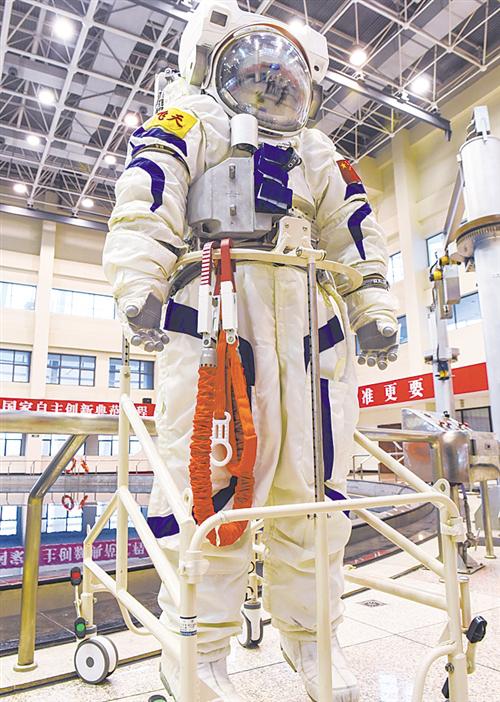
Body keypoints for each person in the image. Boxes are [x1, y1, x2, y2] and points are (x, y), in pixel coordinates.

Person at [103, 2, 398, 700]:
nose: (269, 87)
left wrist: (373, 305)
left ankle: (314, 641)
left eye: (281, 78)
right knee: (211, 489)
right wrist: (140, 283)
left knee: (314, 493)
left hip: (309, 328)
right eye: (256, 75)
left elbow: (354, 224)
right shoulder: (190, 119)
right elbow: (148, 191)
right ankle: (199, 653)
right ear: (219, 68)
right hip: (215, 310)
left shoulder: (317, 152)